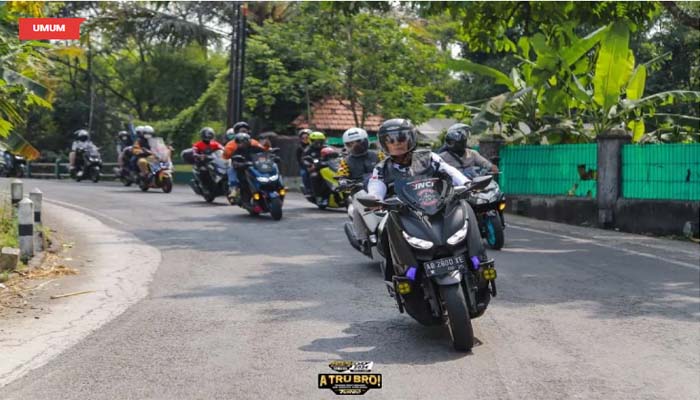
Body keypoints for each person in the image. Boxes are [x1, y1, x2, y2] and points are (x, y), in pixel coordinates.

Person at [365, 119, 487, 278]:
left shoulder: (429, 157)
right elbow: (376, 186)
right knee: (384, 228)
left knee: (465, 207)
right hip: (404, 212)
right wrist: (375, 199)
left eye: (401, 138)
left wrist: (467, 183)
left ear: (411, 138)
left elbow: (450, 171)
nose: (397, 144)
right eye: (390, 140)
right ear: (384, 144)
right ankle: (397, 275)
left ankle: (477, 259)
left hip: (438, 206)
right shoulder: (381, 168)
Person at [223, 132, 265, 203]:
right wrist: (239, 164)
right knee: (231, 170)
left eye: (243, 141)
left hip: (257, 167)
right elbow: (234, 160)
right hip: (244, 169)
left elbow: (264, 153)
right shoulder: (236, 150)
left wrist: (270, 156)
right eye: (239, 142)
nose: (241, 144)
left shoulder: (256, 147)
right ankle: (234, 189)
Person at [296, 128, 312, 193]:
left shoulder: (314, 146)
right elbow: (299, 159)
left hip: (315, 165)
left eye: (307, 137)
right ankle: (307, 188)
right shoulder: (299, 148)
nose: (305, 139)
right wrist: (306, 167)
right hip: (305, 166)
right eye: (303, 138)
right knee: (304, 173)